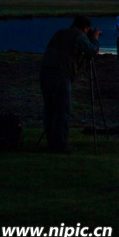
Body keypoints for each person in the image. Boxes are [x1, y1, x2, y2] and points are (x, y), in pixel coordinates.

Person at [39, 16, 100, 153]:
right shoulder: (79, 36)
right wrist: (95, 37)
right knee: (62, 110)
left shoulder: (60, 32)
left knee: (49, 110)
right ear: (85, 28)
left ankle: (51, 143)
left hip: (45, 71)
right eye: (88, 29)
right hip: (60, 74)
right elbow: (92, 51)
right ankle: (61, 146)